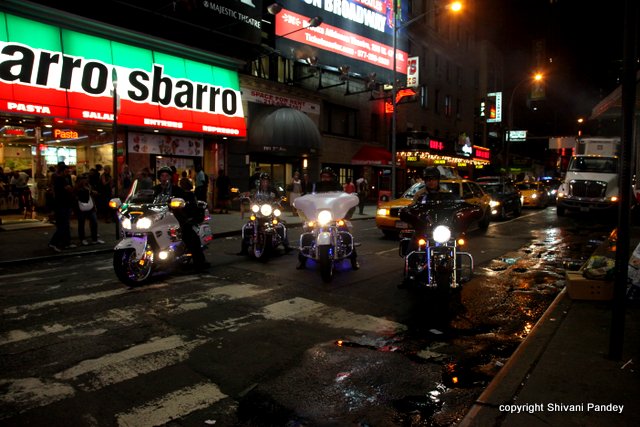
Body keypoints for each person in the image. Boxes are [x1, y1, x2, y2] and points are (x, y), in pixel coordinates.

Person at [298, 167, 359, 270]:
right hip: (318, 216)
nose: (325, 178)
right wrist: (303, 200)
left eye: (327, 176)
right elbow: (309, 197)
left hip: (334, 216)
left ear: (331, 177)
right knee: (307, 234)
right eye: (323, 176)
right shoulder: (316, 186)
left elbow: (343, 199)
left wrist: (345, 214)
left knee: (346, 234)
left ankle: (353, 260)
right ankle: (302, 261)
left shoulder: (337, 186)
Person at [153, 166, 210, 270]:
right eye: (162, 176)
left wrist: (182, 205)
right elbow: (144, 199)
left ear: (170, 177)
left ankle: (200, 262)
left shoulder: (176, 190)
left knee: (189, 234)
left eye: (166, 175)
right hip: (157, 219)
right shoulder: (155, 190)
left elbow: (185, 201)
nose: (164, 178)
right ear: (159, 177)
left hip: (175, 218)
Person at [238, 172, 291, 255]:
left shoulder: (273, 190)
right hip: (258, 213)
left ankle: (286, 245)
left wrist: (279, 202)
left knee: (281, 225)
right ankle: (244, 249)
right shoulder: (255, 190)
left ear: (269, 182)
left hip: (269, 212)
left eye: (266, 181)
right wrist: (244, 196)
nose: (265, 183)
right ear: (260, 181)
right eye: (263, 181)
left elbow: (278, 199)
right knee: (247, 227)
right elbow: (249, 195)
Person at [48, 162, 76, 252]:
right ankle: (53, 242)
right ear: (62, 171)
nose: (68, 173)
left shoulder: (61, 178)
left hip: (63, 204)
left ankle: (66, 242)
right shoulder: (60, 179)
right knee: (63, 225)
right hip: (62, 204)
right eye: (66, 171)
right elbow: (69, 189)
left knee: (65, 225)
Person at [74, 173, 105, 246]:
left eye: (87, 179)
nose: (87, 180)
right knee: (81, 223)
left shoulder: (88, 186)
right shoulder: (77, 187)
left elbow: (91, 195)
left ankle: (94, 239)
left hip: (90, 206)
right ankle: (82, 239)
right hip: (81, 207)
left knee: (94, 222)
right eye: (85, 179)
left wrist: (94, 205)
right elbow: (76, 197)